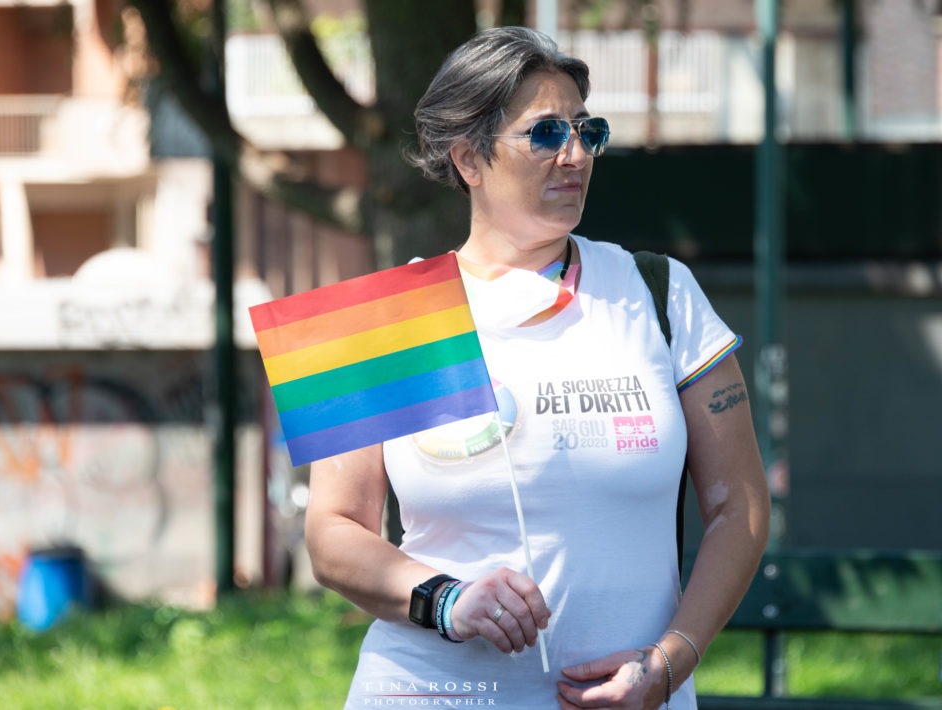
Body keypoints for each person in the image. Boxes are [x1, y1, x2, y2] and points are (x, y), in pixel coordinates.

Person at [305, 26, 770, 710]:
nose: (576, 153)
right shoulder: (386, 314)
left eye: (588, 130)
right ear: (468, 159)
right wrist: (448, 601)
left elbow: (742, 506)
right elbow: (332, 532)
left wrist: (669, 664)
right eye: (547, 133)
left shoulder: (660, 291)